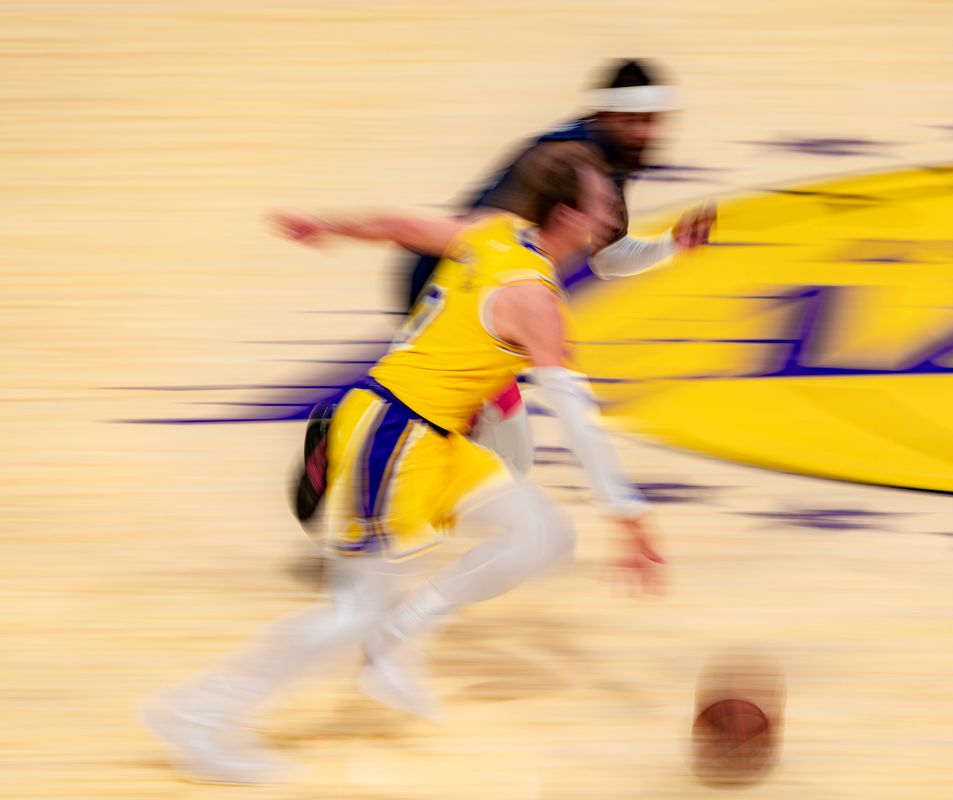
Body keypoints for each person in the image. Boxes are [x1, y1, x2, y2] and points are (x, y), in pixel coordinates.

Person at [144, 142, 665, 785]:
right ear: (570, 216)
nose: (613, 206)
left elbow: (397, 226)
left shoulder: (494, 233)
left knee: (541, 535)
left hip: (431, 435)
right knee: (351, 610)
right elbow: (579, 421)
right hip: (392, 432)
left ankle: (402, 631)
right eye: (601, 198)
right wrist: (629, 516)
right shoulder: (533, 298)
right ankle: (199, 718)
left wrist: (327, 225)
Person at [293, 59, 713, 525]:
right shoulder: (575, 166)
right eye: (633, 121)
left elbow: (606, 256)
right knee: (489, 450)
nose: (644, 133)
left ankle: (365, 485)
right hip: (459, 292)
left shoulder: (603, 157)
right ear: (604, 116)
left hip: (480, 293)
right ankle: (366, 513)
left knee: (496, 452)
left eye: (651, 121)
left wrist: (670, 245)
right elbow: (485, 240)